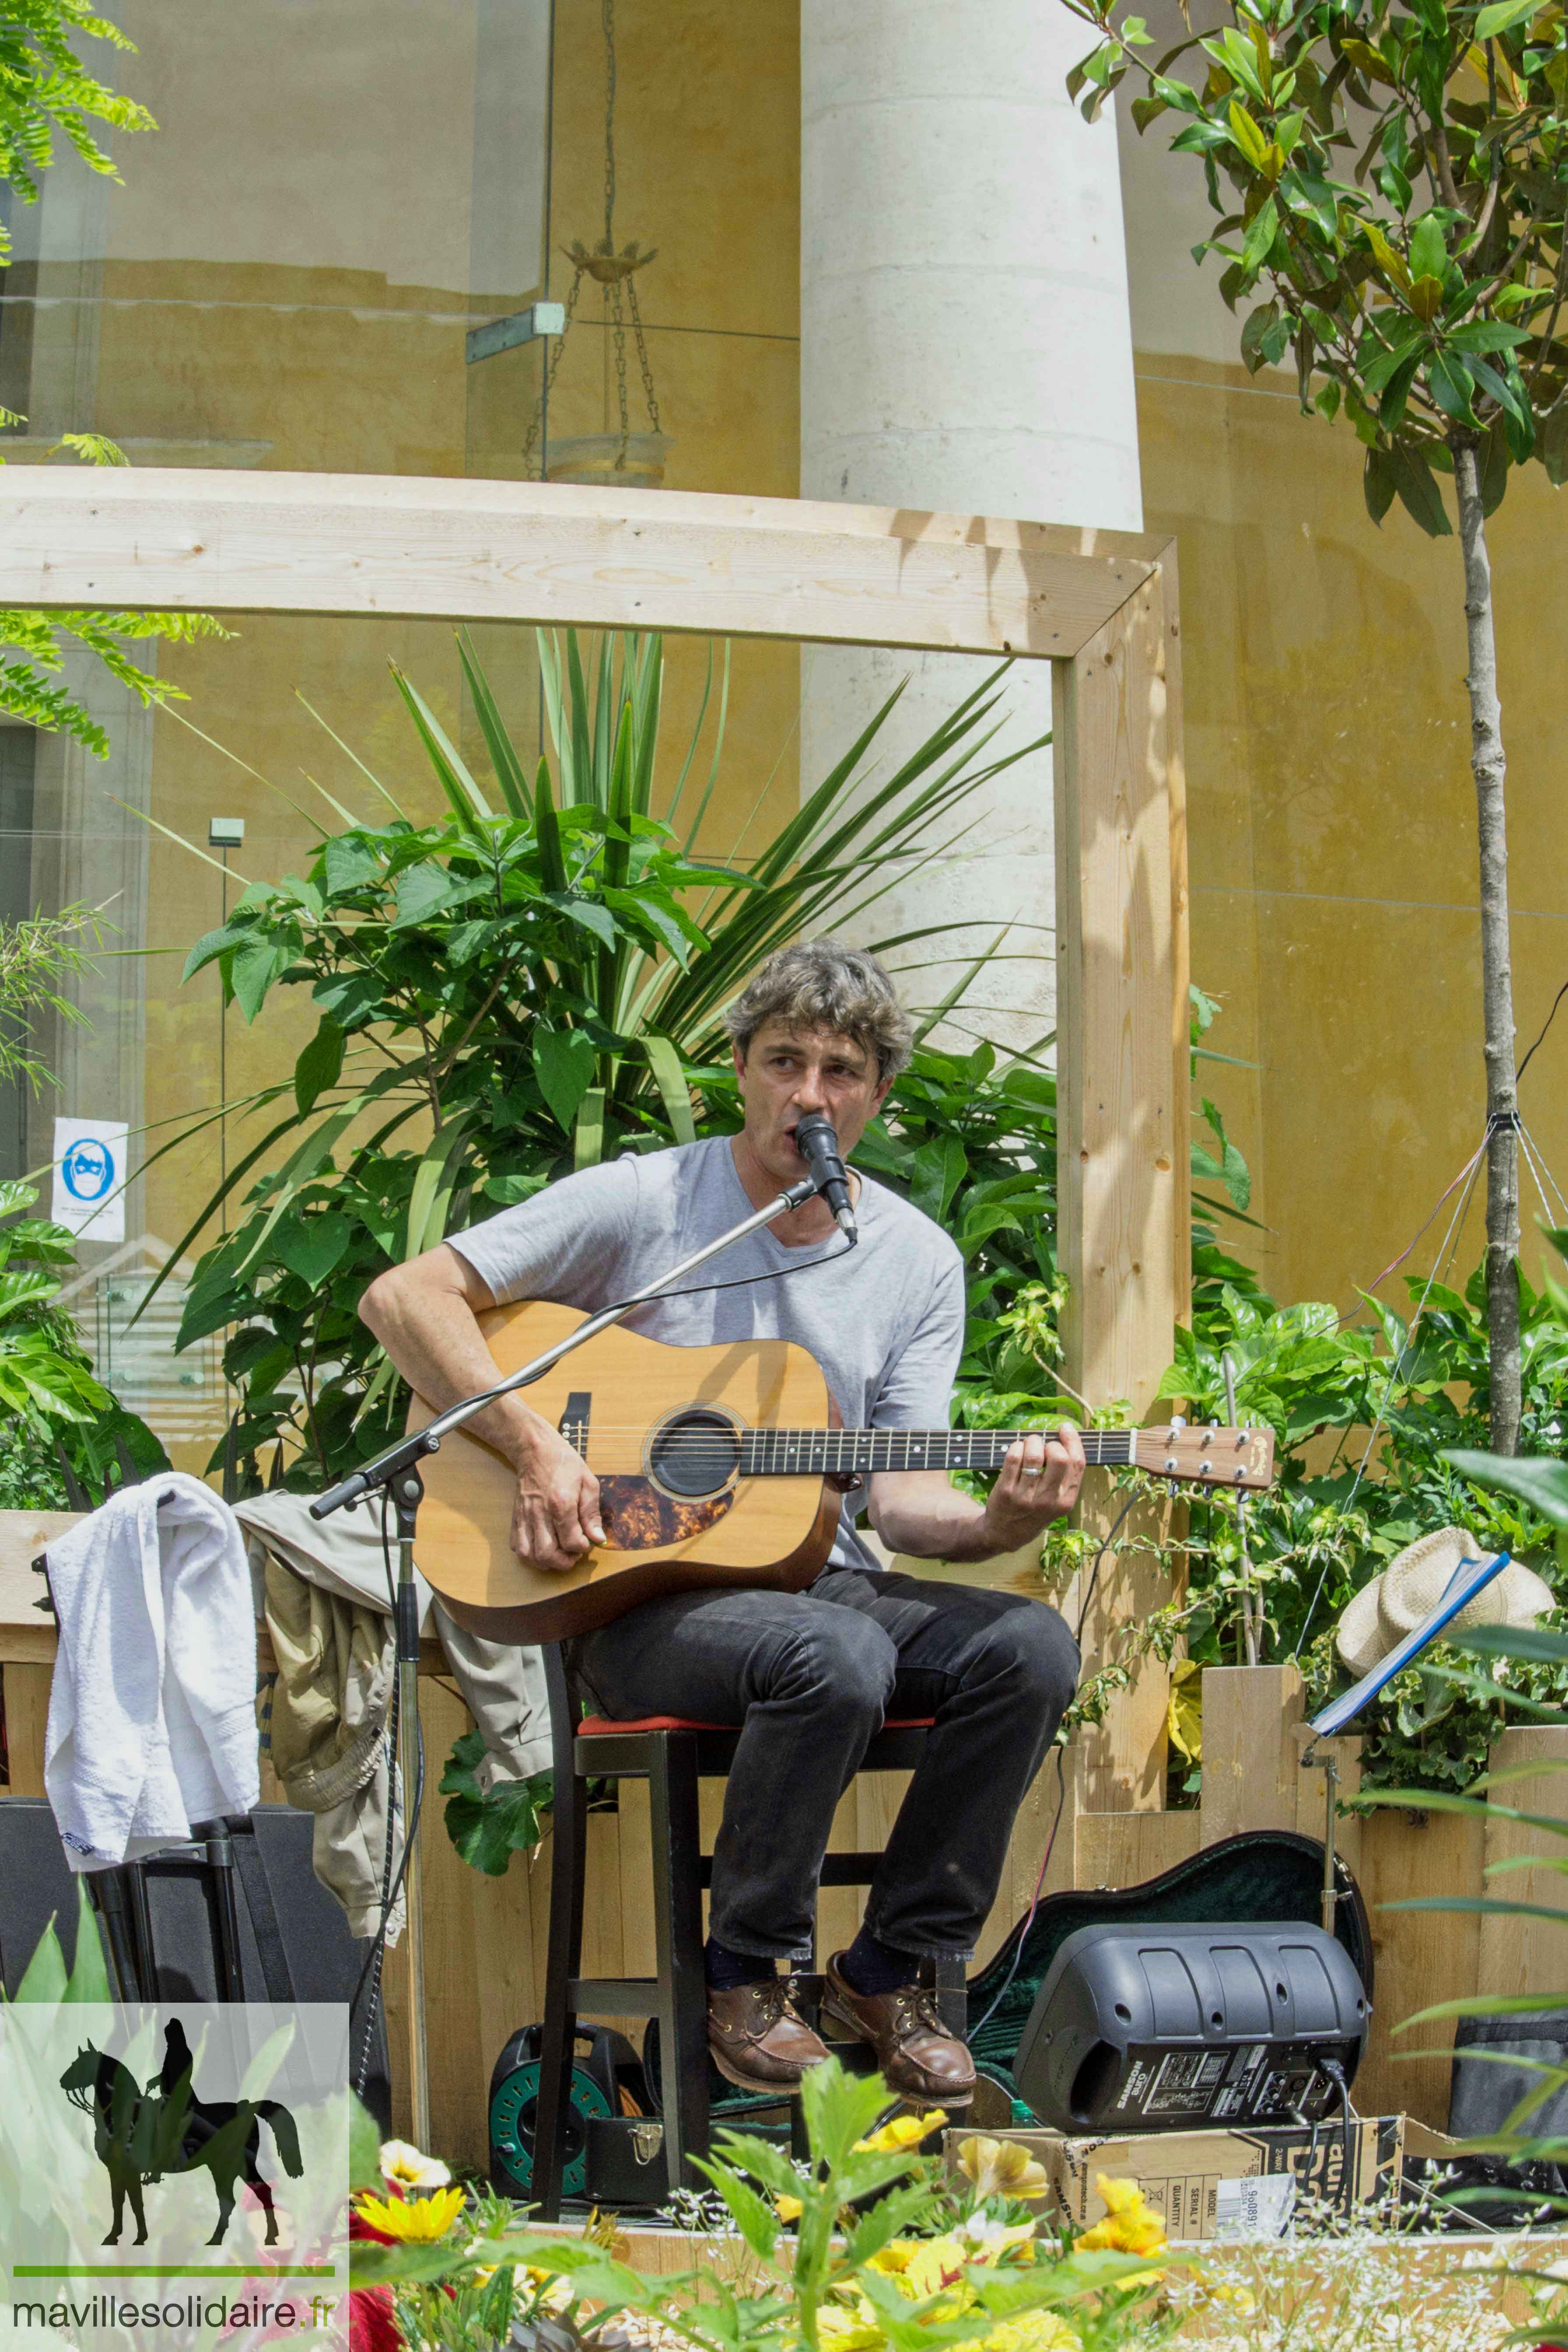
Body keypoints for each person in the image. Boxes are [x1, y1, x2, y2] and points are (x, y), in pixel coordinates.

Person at [361, 939, 1083, 2102]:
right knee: (834, 1655)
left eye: (842, 1071)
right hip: (641, 1601)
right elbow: (406, 1299)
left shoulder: (916, 1260)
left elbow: (901, 1503)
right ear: (740, 1069)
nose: (810, 1094)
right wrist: (538, 1452)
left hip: (817, 1585)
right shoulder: (652, 1203)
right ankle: (746, 1977)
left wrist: (1002, 1517)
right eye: (785, 1060)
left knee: (1031, 1647)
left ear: (876, 1096)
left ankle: (889, 1970)